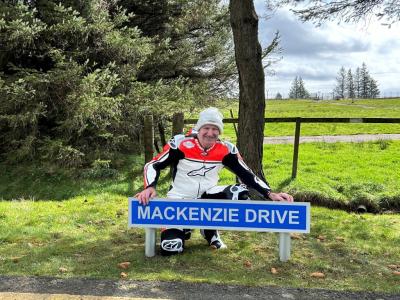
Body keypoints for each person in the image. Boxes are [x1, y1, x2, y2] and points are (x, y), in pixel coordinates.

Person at [135, 107, 293, 255]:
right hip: (179, 200)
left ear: (219, 132)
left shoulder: (226, 149)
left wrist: (270, 194)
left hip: (207, 198)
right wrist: (150, 187)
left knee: (239, 193)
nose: (210, 133)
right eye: (206, 128)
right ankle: (183, 228)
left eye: (215, 129)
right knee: (171, 248)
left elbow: (247, 174)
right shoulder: (181, 143)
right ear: (199, 129)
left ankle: (210, 230)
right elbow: (153, 164)